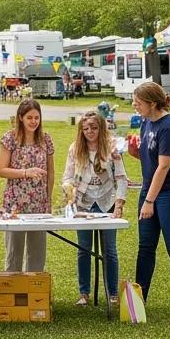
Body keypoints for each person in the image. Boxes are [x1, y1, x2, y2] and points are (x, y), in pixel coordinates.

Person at [127, 81, 170, 317]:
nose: (135, 105)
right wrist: (135, 153)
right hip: (151, 190)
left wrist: (149, 201)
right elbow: (151, 159)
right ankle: (137, 301)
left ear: (153, 103)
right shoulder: (146, 122)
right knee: (145, 246)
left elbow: (164, 167)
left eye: (138, 102)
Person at [62, 110, 127, 307]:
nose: (90, 131)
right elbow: (67, 177)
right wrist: (69, 191)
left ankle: (112, 292)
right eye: (85, 128)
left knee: (110, 249)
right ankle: (84, 293)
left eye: (94, 128)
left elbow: (121, 178)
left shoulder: (111, 148)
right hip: (83, 204)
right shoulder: (75, 149)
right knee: (84, 249)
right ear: (81, 130)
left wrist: (119, 204)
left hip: (106, 202)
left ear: (101, 128)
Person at [0, 99, 54, 272]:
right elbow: (2, 170)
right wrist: (25, 172)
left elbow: (50, 172)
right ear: (21, 118)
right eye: (29, 117)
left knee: (37, 252)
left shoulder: (45, 139)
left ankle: (34, 290)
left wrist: (48, 198)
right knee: (14, 251)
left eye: (37, 118)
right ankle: (13, 289)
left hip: (39, 202)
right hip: (15, 202)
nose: (33, 122)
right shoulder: (10, 138)